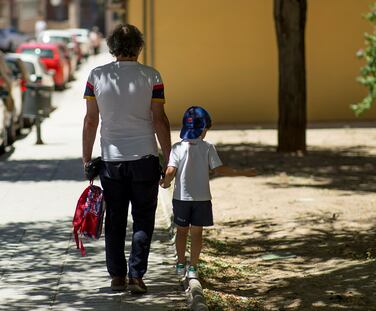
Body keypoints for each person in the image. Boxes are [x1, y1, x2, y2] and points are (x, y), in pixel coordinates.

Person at [82, 24, 171, 293]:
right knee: (143, 218)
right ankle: (136, 275)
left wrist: (86, 159)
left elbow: (90, 121)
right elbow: (160, 120)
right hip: (144, 158)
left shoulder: (97, 76)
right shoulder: (151, 76)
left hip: (111, 160)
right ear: (139, 46)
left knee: (115, 219)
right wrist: (169, 159)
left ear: (111, 47)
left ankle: (117, 276)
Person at [160, 106, 255, 279]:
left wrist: (165, 183)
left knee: (181, 232)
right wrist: (243, 172)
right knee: (197, 234)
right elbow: (220, 169)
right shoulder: (208, 148)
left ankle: (180, 263)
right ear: (204, 128)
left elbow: (170, 171)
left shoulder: (177, 148)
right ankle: (193, 268)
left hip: (181, 199)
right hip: (202, 199)